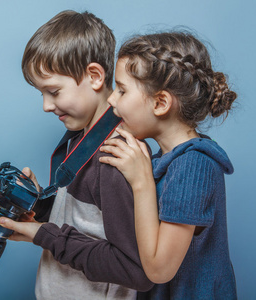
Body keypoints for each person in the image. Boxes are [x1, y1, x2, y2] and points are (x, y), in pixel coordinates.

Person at [0, 10, 154, 300]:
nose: (46, 105)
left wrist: (41, 234)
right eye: (41, 93)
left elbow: (134, 269)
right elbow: (86, 222)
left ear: (94, 76)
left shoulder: (115, 154)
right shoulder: (81, 137)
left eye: (53, 91)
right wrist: (39, 208)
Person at [99, 31, 238, 299]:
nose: (111, 99)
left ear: (160, 103)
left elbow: (159, 270)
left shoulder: (194, 166)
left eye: (122, 90)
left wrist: (141, 183)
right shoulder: (163, 160)